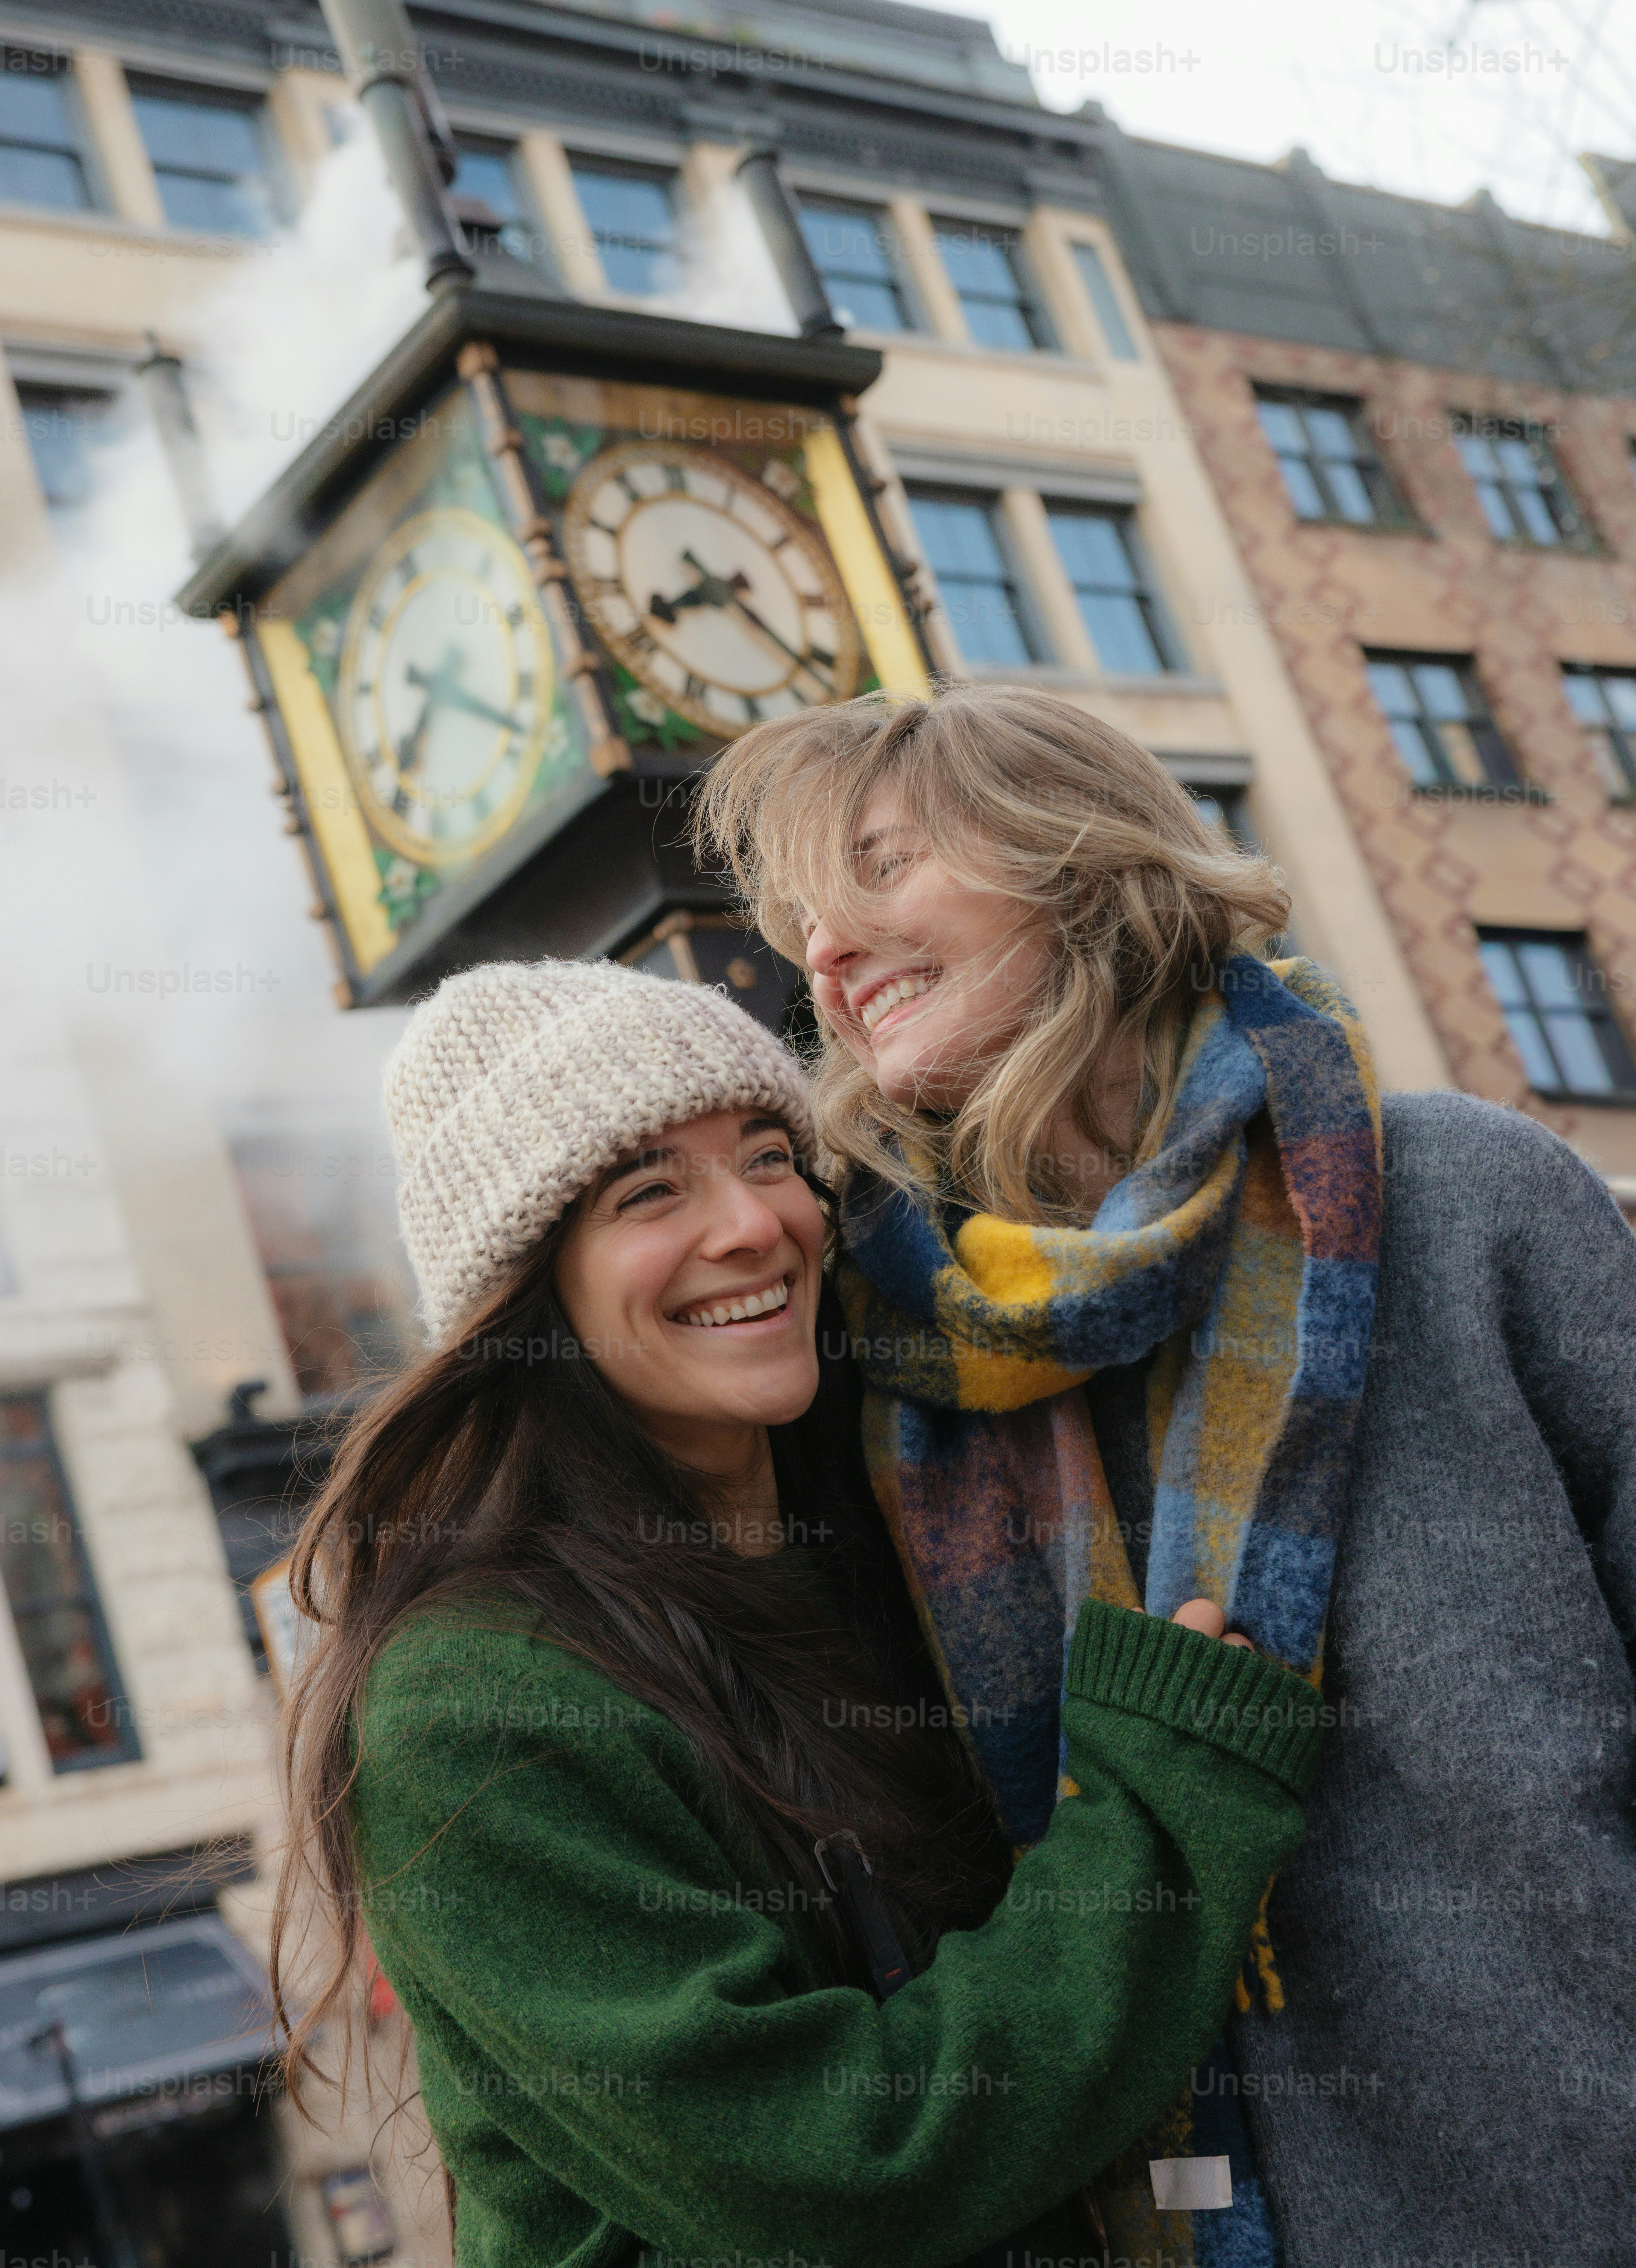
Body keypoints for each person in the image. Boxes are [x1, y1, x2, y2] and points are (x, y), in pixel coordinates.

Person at [699, 682, 1636, 2268]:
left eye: (874, 870)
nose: (827, 956)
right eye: (800, 925)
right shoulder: (875, 1363)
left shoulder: (1463, 1198)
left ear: (1077, 859)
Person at [269, 957, 1327, 2268]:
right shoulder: (474, 1701)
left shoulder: (883, 1527)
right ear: (529, 1293)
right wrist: (1165, 1796)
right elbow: (841, 2166)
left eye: (770, 1154)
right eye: (648, 1189)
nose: (753, 1224)